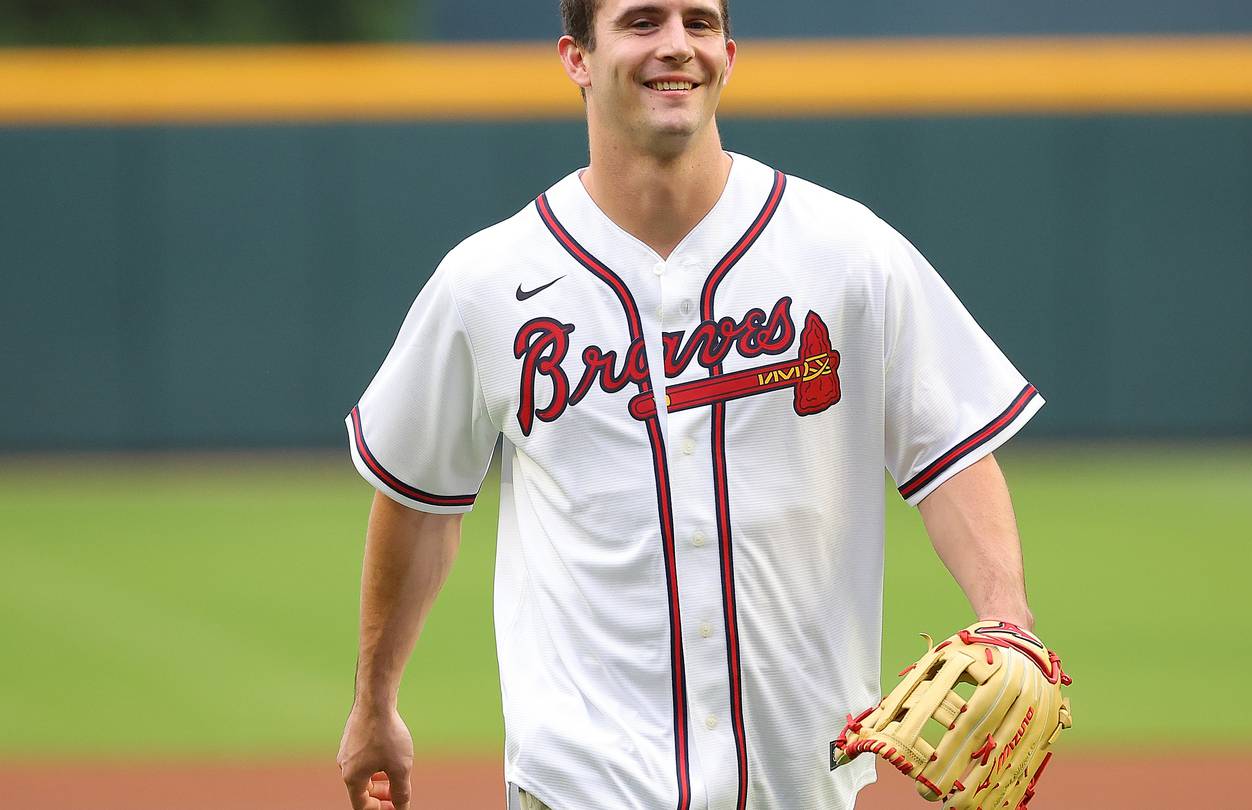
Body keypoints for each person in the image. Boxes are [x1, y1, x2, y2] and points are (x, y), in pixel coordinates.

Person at [336, 1, 1046, 808]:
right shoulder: (488, 281)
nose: (676, 44)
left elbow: (947, 451)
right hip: (579, 784)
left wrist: (1007, 618)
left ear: (729, 53)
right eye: (642, 21)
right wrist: (374, 703)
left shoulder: (847, 253)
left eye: (698, 23)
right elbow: (418, 499)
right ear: (575, 57)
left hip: (797, 779)